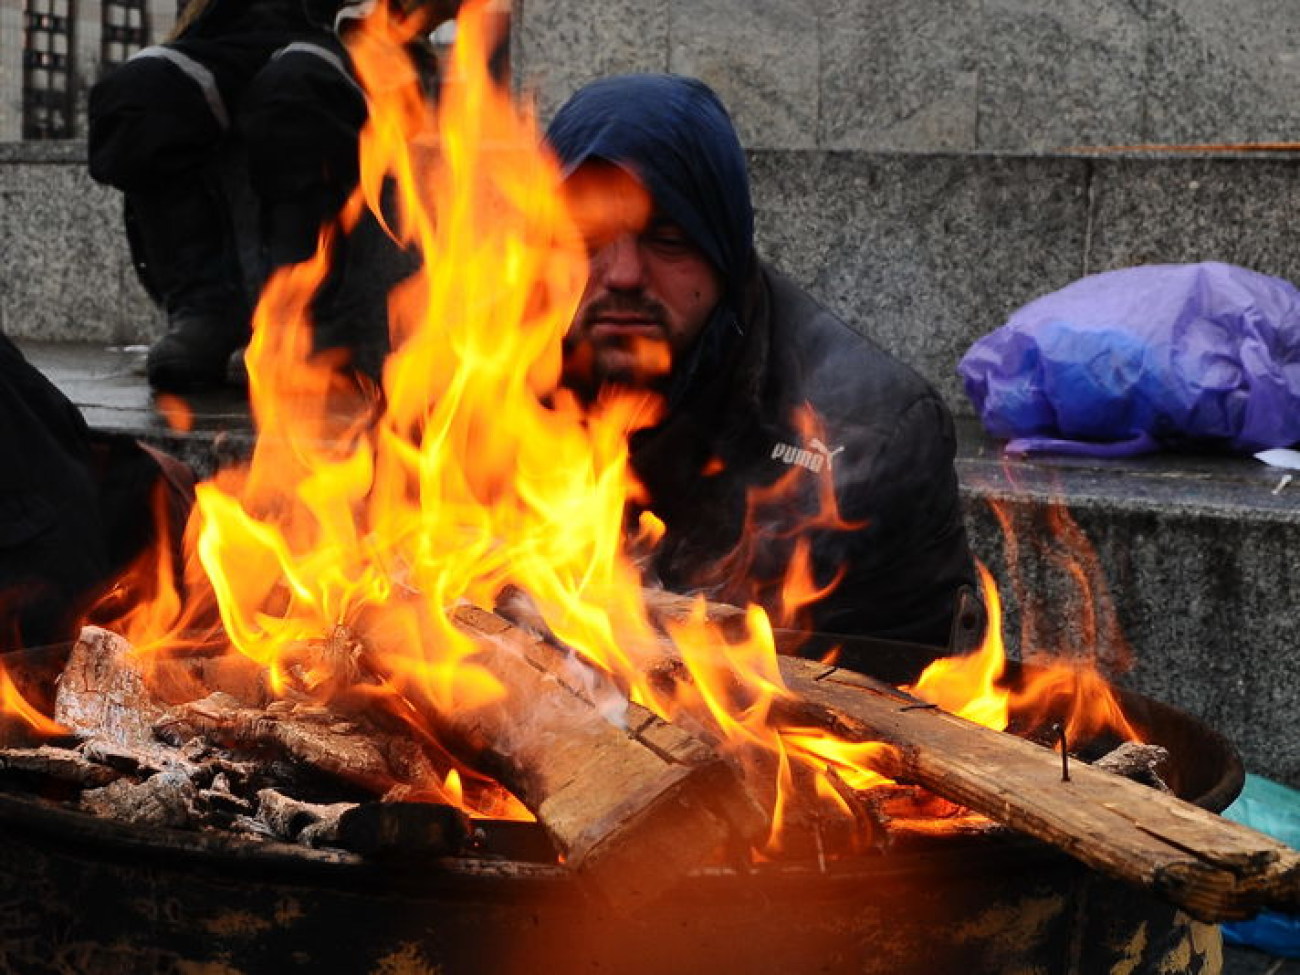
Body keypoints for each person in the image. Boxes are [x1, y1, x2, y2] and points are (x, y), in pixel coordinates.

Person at [547, 74, 984, 668]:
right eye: (588, 237)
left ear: (723, 245)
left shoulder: (869, 435)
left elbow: (912, 716)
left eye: (668, 238)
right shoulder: (485, 379)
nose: (623, 273)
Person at [87, 0, 452, 391]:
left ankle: (297, 318)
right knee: (139, 95)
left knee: (297, 87)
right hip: (238, 29)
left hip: (355, 39)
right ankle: (206, 312)